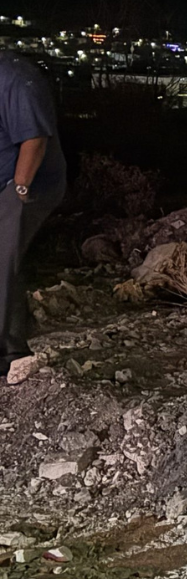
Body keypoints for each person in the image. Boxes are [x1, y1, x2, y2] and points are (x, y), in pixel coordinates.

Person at [1, 51, 67, 382]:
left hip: (24, 184)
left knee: (1, 261)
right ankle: (12, 350)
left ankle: (6, 351)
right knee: (5, 263)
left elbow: (34, 141)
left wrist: (19, 191)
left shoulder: (15, 79)